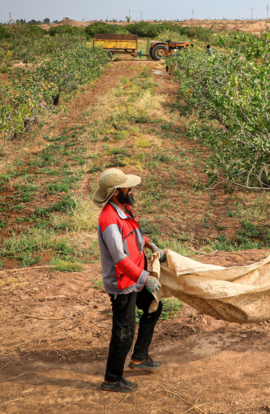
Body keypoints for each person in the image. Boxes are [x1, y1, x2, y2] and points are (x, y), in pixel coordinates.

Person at [92, 168, 167, 393]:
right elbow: (119, 259)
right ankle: (112, 379)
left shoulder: (124, 209)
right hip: (123, 282)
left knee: (154, 306)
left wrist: (149, 244)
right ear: (116, 192)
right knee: (124, 332)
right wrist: (146, 278)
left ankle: (139, 358)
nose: (131, 188)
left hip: (135, 277)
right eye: (126, 186)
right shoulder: (109, 220)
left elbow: (133, 234)